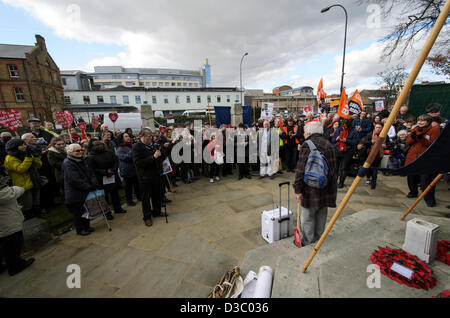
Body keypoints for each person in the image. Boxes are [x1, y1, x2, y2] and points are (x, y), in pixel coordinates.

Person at [293, 121, 337, 246]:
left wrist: (298, 190)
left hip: (309, 189)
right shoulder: (329, 145)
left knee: (307, 216)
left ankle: (307, 241)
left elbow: (300, 170)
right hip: (325, 188)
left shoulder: (307, 145)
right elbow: (333, 171)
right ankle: (319, 239)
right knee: (321, 214)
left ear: (308, 133)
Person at [0, 175, 35, 276]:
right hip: (7, 223)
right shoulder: (3, 192)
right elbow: (11, 193)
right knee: (13, 244)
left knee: (6, 245)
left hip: (5, 221)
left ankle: (8, 264)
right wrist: (17, 188)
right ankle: (15, 266)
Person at [405, 114, 441, 207]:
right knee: (411, 177)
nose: (420, 122)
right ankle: (413, 192)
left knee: (425, 180)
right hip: (413, 157)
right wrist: (413, 137)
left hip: (425, 158)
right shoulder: (415, 129)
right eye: (419, 120)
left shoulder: (434, 130)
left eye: (423, 121)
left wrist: (421, 138)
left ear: (428, 122)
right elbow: (407, 142)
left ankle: (429, 199)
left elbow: (431, 144)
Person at [62, 144, 97, 236]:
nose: (80, 152)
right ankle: (80, 229)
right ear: (70, 152)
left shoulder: (84, 159)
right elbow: (74, 180)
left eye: (81, 150)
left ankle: (87, 226)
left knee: (86, 209)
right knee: (78, 212)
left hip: (86, 189)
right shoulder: (68, 163)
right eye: (77, 151)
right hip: (76, 192)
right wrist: (88, 186)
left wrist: (93, 183)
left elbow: (91, 172)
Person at [132, 129, 164, 227]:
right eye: (148, 136)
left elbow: (158, 159)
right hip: (145, 176)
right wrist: (153, 157)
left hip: (155, 174)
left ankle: (157, 211)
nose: (150, 138)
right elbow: (138, 163)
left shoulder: (153, 145)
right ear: (142, 136)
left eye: (151, 136)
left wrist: (160, 155)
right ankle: (147, 217)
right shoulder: (137, 147)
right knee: (146, 198)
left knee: (156, 194)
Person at [4, 138, 42, 220]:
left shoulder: (26, 153)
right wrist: (28, 158)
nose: (25, 146)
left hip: (34, 180)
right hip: (23, 184)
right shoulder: (10, 158)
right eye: (22, 145)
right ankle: (30, 218)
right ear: (15, 147)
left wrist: (36, 157)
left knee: (36, 201)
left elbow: (38, 166)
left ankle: (38, 216)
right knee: (28, 203)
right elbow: (20, 169)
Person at [87, 141, 126, 220]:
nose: (100, 146)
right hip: (101, 179)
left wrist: (112, 170)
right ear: (92, 146)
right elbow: (93, 169)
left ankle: (118, 208)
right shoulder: (90, 156)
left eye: (101, 144)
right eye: (97, 145)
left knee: (115, 193)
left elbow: (116, 161)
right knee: (104, 197)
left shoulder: (109, 152)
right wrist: (105, 172)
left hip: (112, 176)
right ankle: (107, 213)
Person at [331, 118, 360, 188]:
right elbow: (332, 140)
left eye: (345, 125)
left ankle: (341, 182)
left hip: (347, 152)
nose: (344, 127)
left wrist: (346, 140)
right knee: (335, 168)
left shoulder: (354, 131)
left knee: (344, 168)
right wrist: (336, 139)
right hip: (337, 151)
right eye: (343, 125)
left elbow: (356, 141)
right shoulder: (339, 130)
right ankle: (334, 182)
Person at [116, 133, 141, 207]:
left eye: (128, 136)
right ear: (122, 138)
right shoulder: (120, 148)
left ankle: (139, 197)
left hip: (134, 169)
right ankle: (129, 201)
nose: (128, 137)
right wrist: (132, 150)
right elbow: (125, 158)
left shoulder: (130, 146)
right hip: (127, 170)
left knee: (137, 185)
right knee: (128, 187)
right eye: (126, 136)